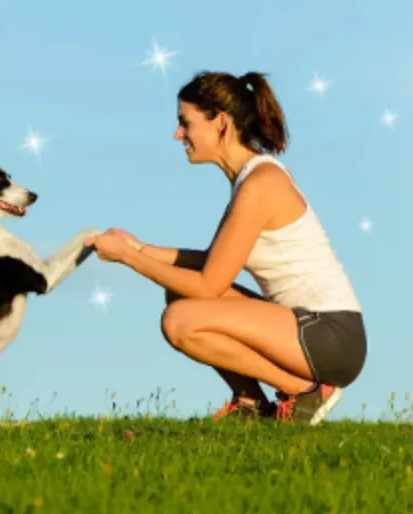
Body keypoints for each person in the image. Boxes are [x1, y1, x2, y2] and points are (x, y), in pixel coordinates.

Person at [84, 70, 367, 426]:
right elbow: (213, 262)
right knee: (177, 290)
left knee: (180, 320)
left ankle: (304, 393)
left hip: (329, 335)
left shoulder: (261, 184)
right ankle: (251, 403)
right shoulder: (248, 180)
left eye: (184, 123)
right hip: (306, 328)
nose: (177, 135)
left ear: (219, 123)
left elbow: (207, 286)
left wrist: (127, 258)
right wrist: (139, 247)